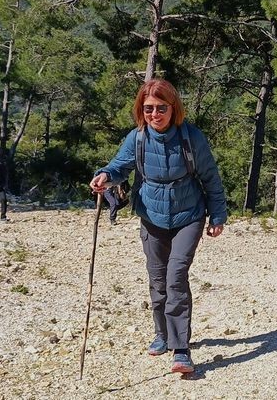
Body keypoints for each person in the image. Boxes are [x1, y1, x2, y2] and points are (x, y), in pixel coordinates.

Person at [89, 79, 228, 375]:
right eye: (148, 108)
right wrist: (105, 176)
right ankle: (162, 334)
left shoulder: (191, 138)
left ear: (173, 107)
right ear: (141, 110)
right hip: (151, 215)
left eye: (161, 108)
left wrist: (217, 216)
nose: (155, 114)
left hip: (188, 214)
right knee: (157, 278)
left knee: (176, 276)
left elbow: (211, 178)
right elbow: (119, 167)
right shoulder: (137, 138)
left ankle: (181, 348)